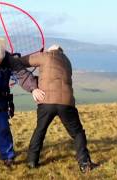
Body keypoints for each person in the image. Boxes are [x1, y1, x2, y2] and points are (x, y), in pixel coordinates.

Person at [19, 45, 98, 173]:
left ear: (51, 50)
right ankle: (84, 163)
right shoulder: (67, 61)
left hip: (46, 101)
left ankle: (32, 162)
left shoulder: (45, 56)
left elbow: (22, 62)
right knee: (77, 133)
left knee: (40, 130)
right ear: (61, 51)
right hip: (66, 102)